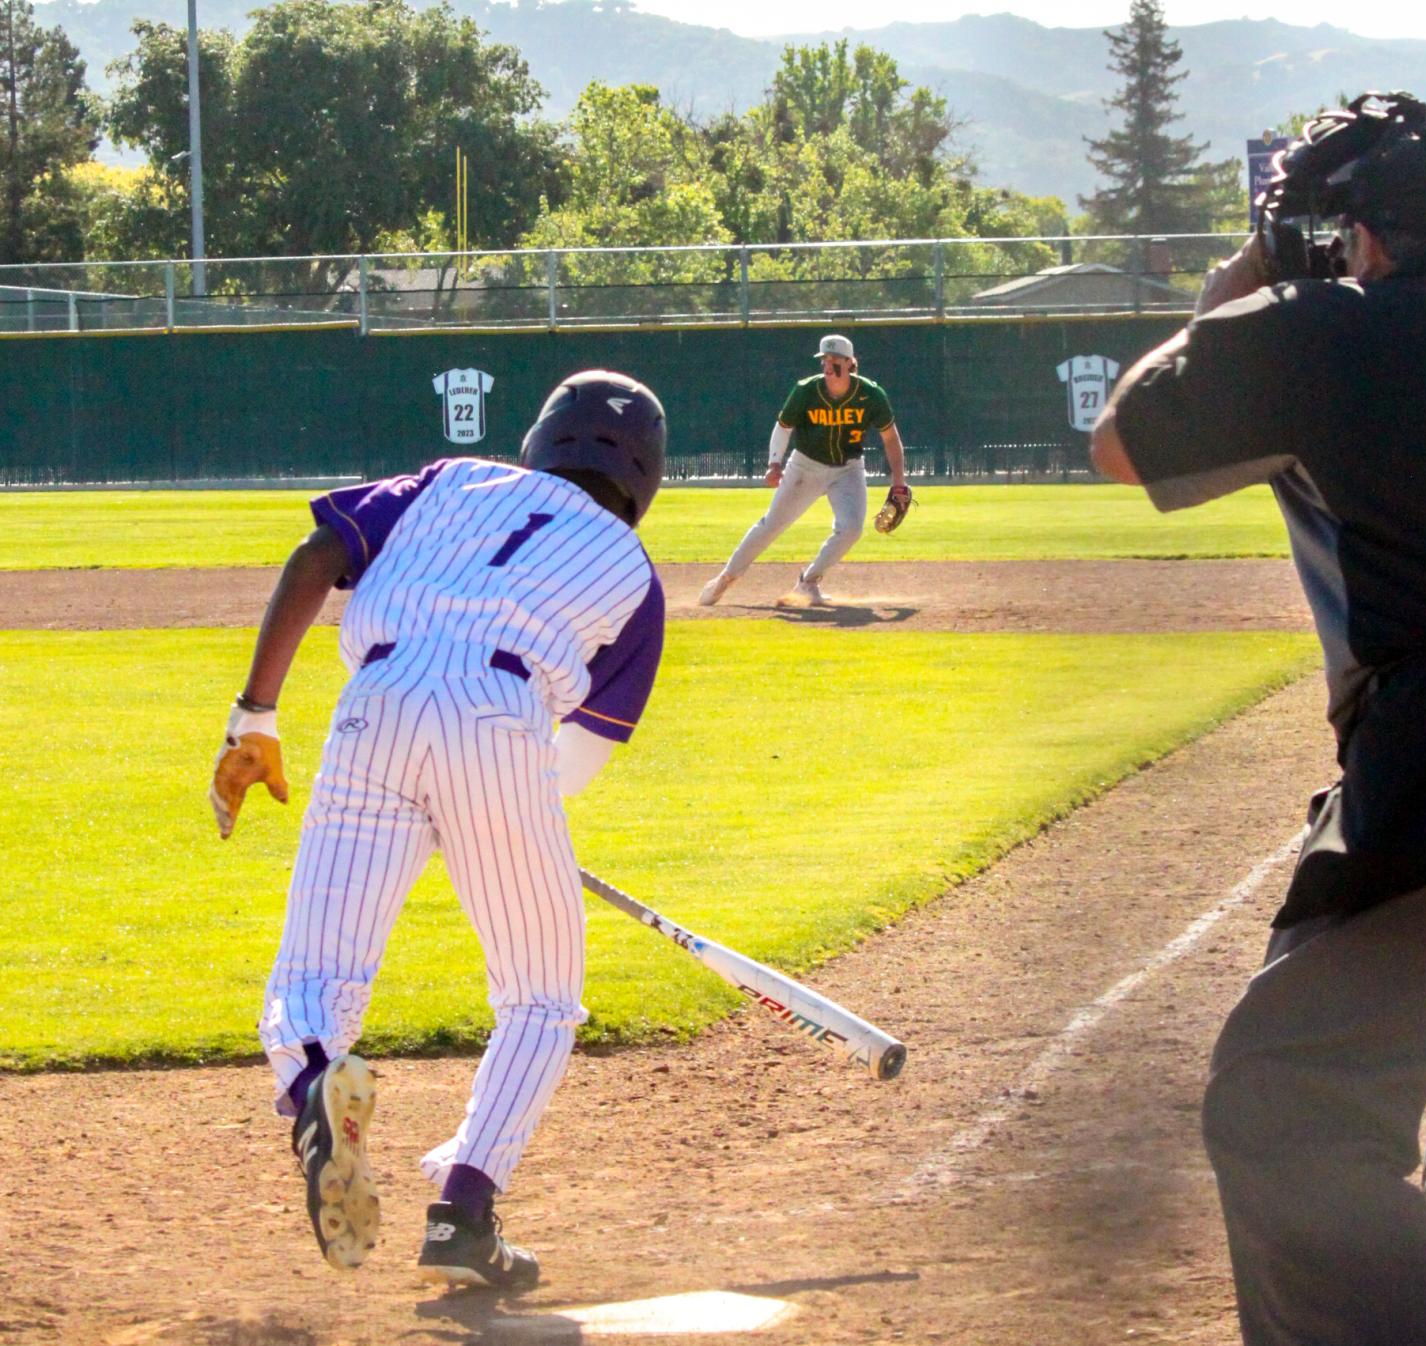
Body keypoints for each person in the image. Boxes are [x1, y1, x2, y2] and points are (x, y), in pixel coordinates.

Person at [1088, 92, 1426, 1346]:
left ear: (1359, 237)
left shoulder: (1321, 326)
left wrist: (1263, 260)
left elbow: (1123, 442)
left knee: (1291, 1104)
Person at [208, 370, 668, 1289]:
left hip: (370, 706)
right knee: (540, 994)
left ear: (540, 440)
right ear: (645, 479)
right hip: (503, 725)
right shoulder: (636, 580)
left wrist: (255, 716)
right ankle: (464, 1214)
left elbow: (315, 556)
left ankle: (311, 1097)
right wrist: (503, 820)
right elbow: (565, 771)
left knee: (313, 978)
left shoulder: (447, 481)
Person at [698, 333, 908, 607]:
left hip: (848, 469)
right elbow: (783, 427)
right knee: (772, 525)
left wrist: (899, 483)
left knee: (851, 529)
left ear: (850, 364)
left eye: (835, 361)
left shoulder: (871, 395)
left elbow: (891, 439)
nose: (828, 366)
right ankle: (725, 579)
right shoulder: (807, 390)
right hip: (806, 466)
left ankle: (808, 582)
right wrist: (774, 463)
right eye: (824, 360)